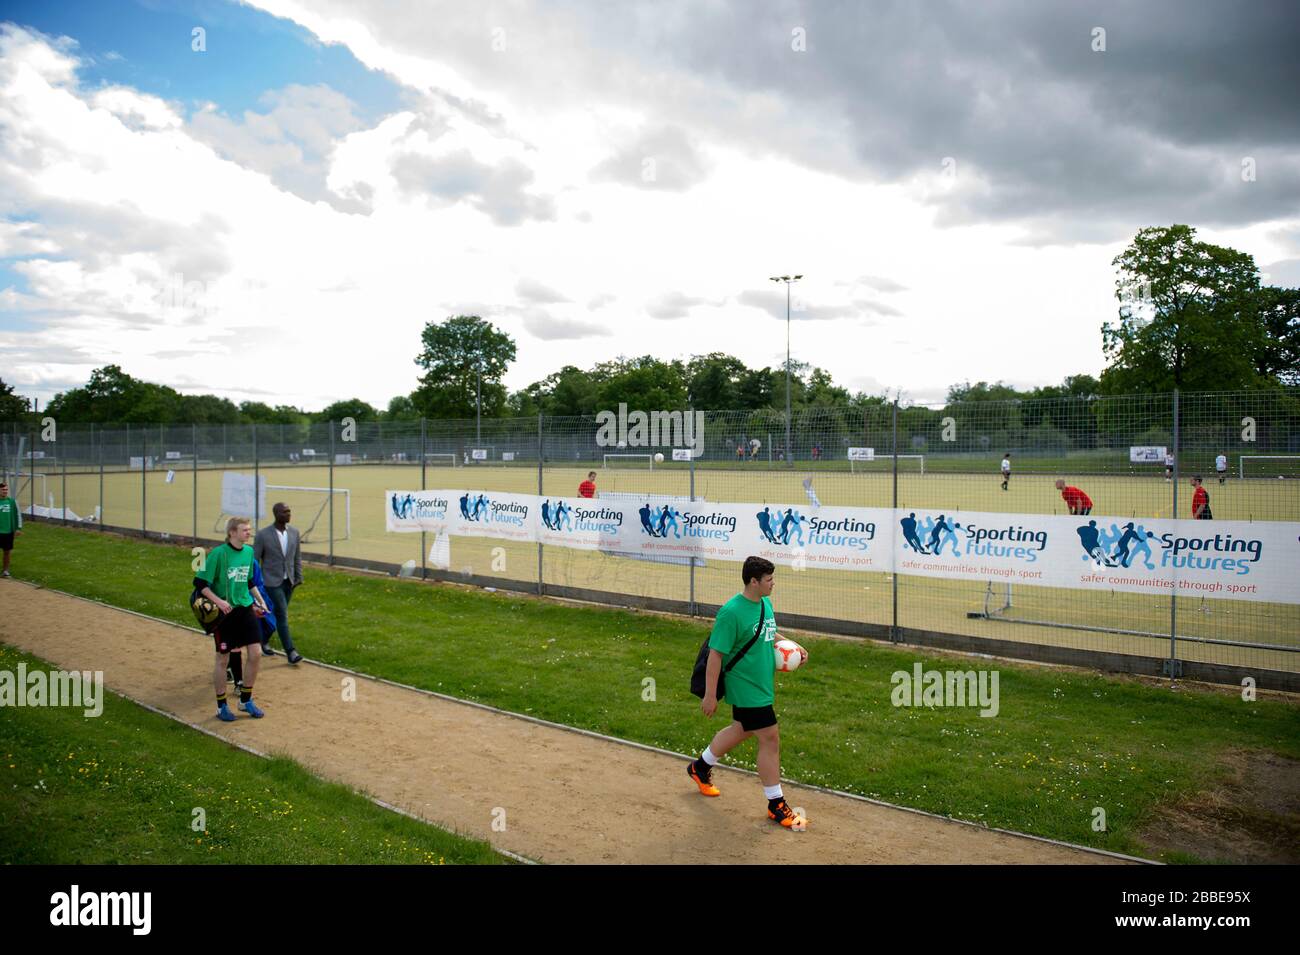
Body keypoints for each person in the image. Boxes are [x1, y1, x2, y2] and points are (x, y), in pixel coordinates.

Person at [687, 556, 806, 830]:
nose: (773, 584)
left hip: (762, 683)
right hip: (745, 687)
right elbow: (716, 654)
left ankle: (700, 768)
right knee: (769, 736)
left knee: (741, 729)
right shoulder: (731, 612)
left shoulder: (765, 603)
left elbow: (769, 632)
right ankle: (776, 804)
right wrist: (709, 695)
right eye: (769, 580)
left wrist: (792, 645)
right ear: (754, 581)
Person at [196, 517, 271, 721]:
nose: (249, 533)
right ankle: (222, 706)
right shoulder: (218, 554)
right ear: (232, 533)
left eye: (249, 529)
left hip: (245, 609)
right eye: (245, 530)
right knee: (223, 658)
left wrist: (260, 600)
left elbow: (247, 581)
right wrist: (219, 602)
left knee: (255, 654)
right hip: (225, 614)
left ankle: (245, 700)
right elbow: (200, 583)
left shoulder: (248, 553)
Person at [254, 503, 305, 665]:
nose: (288, 514)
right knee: (282, 615)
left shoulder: (295, 533)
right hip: (270, 582)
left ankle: (263, 639)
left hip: (288, 581)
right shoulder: (263, 535)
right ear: (276, 514)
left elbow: (296, 557)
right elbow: (255, 560)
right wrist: (255, 583)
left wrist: (298, 577)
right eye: (285, 512)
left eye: (289, 511)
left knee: (275, 614)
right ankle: (291, 651)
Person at [0, 481, 20, 578]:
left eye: (6, 489)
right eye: (3, 489)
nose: (5, 491)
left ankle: (5, 571)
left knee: (7, 552)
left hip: (8, 532)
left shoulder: (12, 501)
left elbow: (18, 515)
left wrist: (18, 528)